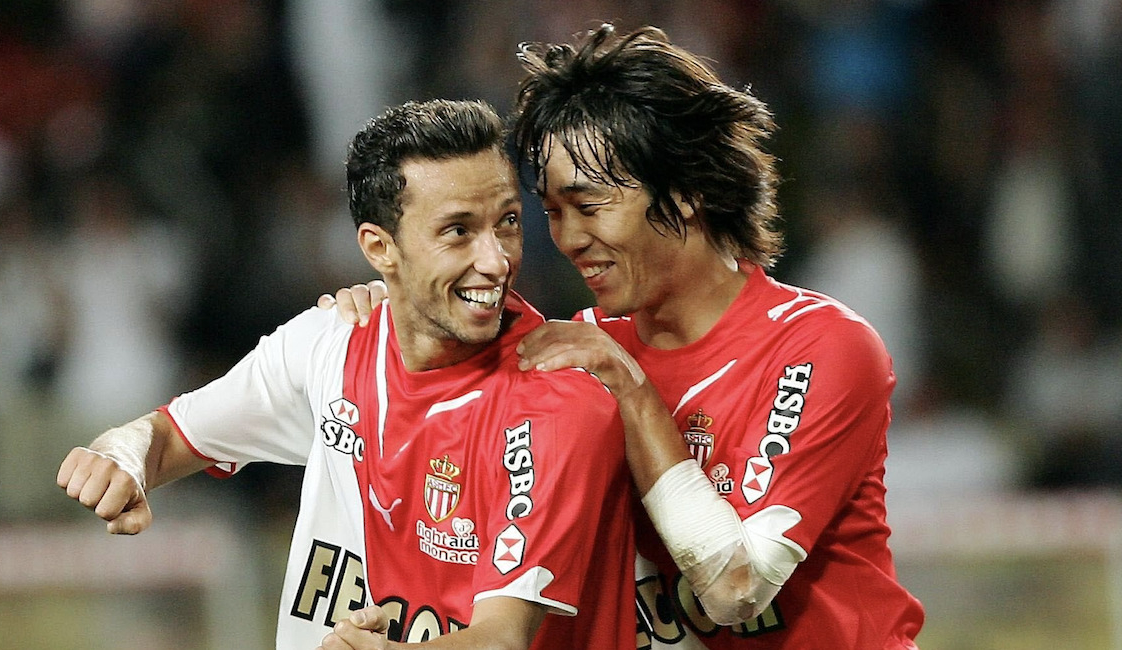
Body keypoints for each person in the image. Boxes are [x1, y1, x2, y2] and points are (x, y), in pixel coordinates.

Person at [327, 25, 924, 649]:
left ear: (684, 191)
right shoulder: (572, 356)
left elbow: (736, 587)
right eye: (552, 213)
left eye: (590, 207)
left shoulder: (821, 347)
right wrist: (397, 301)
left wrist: (633, 393)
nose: (568, 239)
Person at [57, 99, 635, 650]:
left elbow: (503, 638)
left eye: (507, 221)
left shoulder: (557, 402)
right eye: (458, 231)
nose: (497, 259)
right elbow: (166, 435)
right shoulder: (328, 344)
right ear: (380, 249)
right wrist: (123, 456)